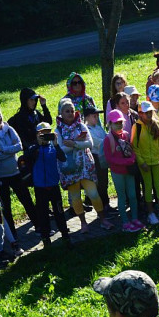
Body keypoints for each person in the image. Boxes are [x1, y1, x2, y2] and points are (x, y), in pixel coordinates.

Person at [0, 103, 37, 247]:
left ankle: (38, 226)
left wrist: (5, 149)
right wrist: (9, 151)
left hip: (15, 172)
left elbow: (19, 146)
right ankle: (11, 235)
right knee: (5, 207)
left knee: (26, 199)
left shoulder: (9, 129)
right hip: (0, 176)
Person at [57, 98, 111, 233]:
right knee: (75, 197)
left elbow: (90, 143)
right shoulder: (58, 130)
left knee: (93, 193)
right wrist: (77, 144)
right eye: (66, 111)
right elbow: (60, 149)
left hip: (86, 166)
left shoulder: (81, 126)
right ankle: (83, 223)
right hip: (69, 169)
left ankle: (102, 219)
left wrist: (74, 143)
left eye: (72, 110)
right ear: (61, 113)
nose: (70, 113)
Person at [26, 122, 72, 243]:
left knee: (59, 210)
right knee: (43, 213)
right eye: (42, 134)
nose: (45, 136)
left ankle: (64, 232)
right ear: (37, 135)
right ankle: (45, 236)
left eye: (48, 133)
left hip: (53, 185)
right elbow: (27, 158)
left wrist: (56, 144)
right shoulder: (33, 149)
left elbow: (63, 158)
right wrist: (38, 145)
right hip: (40, 187)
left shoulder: (53, 148)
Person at [132, 101, 159, 225]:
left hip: (157, 161)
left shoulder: (157, 125)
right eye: (146, 112)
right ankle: (150, 213)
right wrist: (141, 162)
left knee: (158, 187)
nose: (149, 114)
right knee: (148, 188)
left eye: (150, 112)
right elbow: (134, 147)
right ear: (140, 114)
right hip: (144, 164)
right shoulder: (136, 127)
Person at [103, 110, 143, 232]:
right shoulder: (108, 139)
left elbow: (132, 150)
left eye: (121, 122)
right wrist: (126, 162)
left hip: (129, 171)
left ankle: (135, 218)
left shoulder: (126, 135)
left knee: (132, 195)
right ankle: (125, 222)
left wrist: (132, 158)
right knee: (122, 196)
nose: (119, 125)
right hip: (117, 172)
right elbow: (109, 158)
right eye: (116, 123)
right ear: (110, 124)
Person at [84, 106, 115, 214]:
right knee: (100, 182)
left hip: (102, 156)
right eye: (94, 116)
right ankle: (103, 205)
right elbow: (97, 142)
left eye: (97, 116)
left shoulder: (98, 127)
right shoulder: (87, 129)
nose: (96, 118)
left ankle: (105, 203)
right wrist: (109, 141)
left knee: (104, 181)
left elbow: (105, 137)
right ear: (87, 117)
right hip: (95, 157)